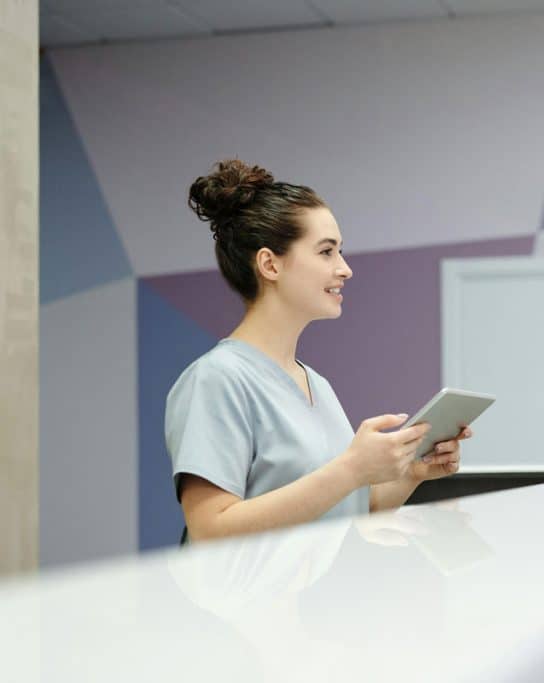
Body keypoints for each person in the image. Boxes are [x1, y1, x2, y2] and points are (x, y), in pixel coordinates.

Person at [166, 159, 470, 542]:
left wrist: (413, 472)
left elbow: (347, 507)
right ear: (269, 264)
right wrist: (351, 470)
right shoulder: (217, 379)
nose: (345, 269)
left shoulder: (316, 385)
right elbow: (210, 529)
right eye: (326, 252)